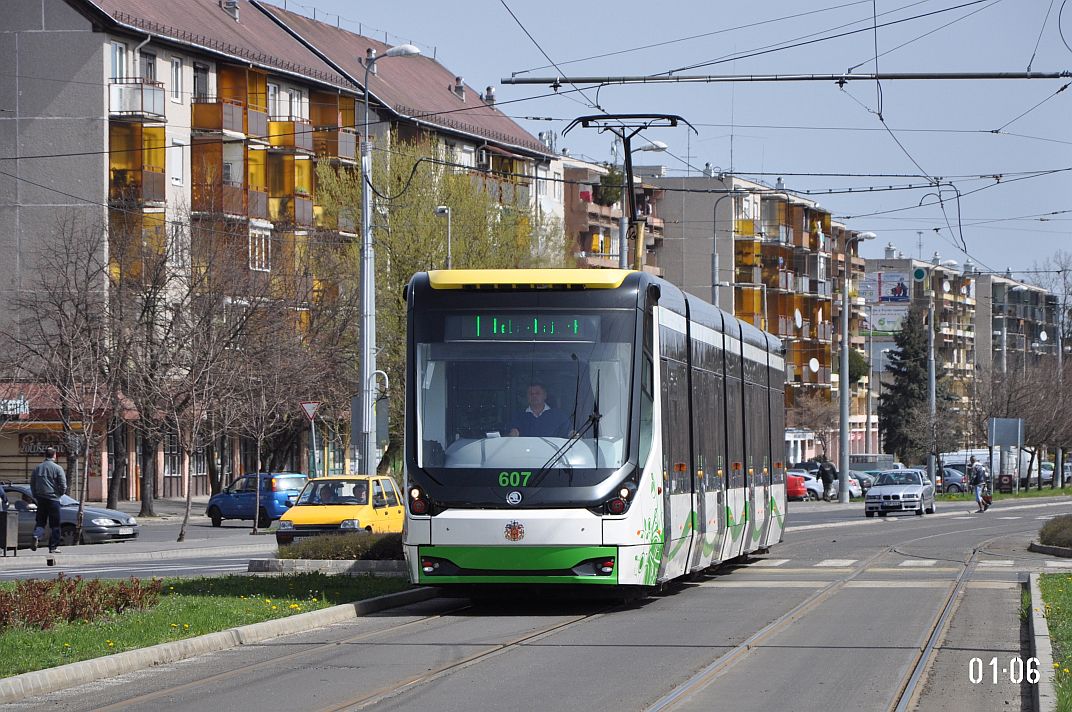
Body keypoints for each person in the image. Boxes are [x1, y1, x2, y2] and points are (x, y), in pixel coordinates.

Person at [30, 447, 67, 553]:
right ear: (54, 455)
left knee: (40, 521)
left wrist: (35, 495)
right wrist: (59, 494)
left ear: (45, 455)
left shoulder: (37, 468)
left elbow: (32, 483)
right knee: (55, 524)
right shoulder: (57, 468)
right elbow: (63, 485)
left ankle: (36, 536)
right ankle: (53, 547)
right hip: (53, 499)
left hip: (41, 499)